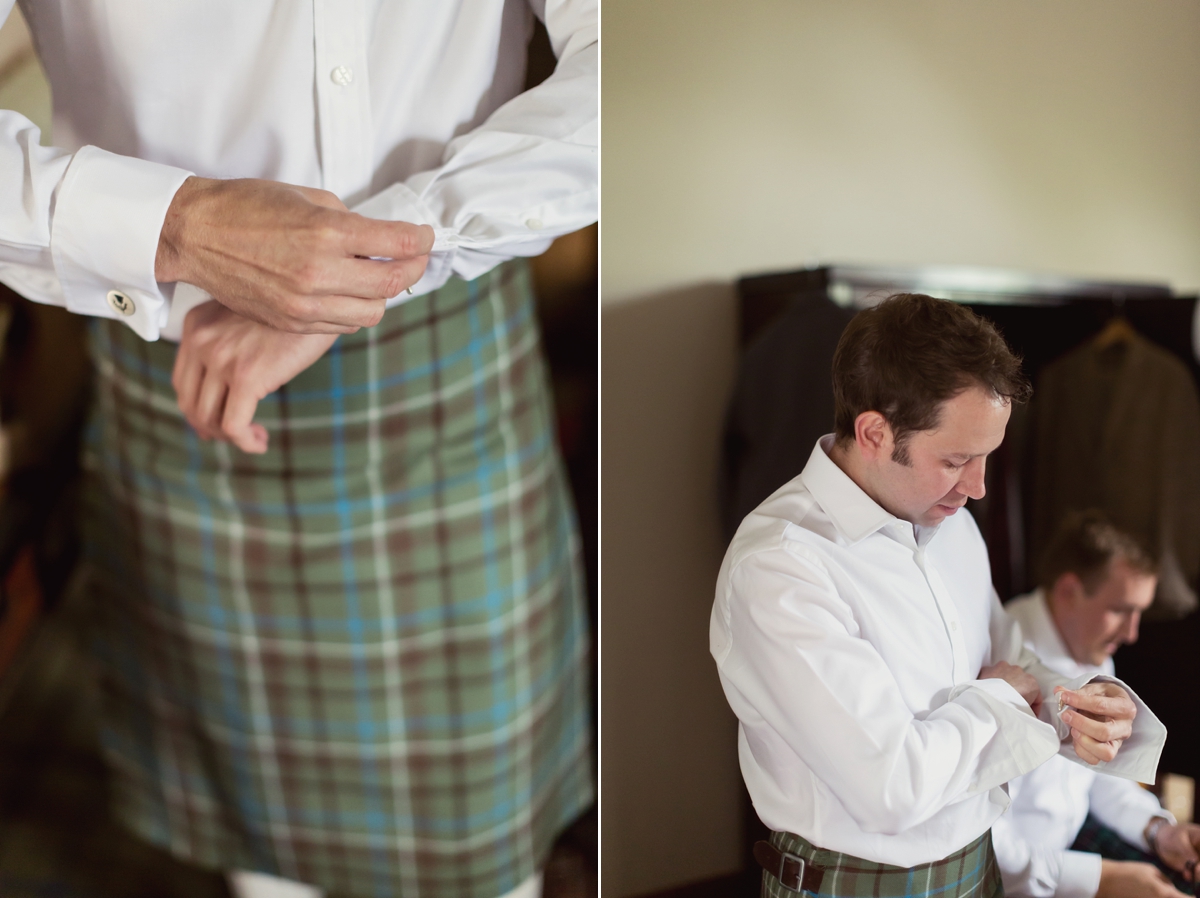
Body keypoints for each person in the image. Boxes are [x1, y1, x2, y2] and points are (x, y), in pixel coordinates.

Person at [0, 3, 596, 898]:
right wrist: (180, 226)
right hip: (181, 365)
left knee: (482, 849)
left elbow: (636, 69)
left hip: (444, 364)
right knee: (263, 837)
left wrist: (383, 252)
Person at [710, 293, 1166, 898]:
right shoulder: (779, 567)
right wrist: (1005, 693)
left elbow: (1010, 666)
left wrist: (1078, 709)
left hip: (981, 868)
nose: (977, 488)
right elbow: (892, 788)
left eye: (986, 458)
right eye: (956, 459)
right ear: (874, 432)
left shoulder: (954, 525)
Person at [994, 510, 1200, 898]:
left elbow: (1099, 781)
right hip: (1017, 879)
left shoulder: (1094, 655)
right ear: (1069, 590)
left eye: (1140, 612)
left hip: (1073, 842)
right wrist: (1100, 880)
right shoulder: (1004, 662)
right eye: (1121, 610)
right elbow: (985, 839)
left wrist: (1159, 831)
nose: (1133, 633)